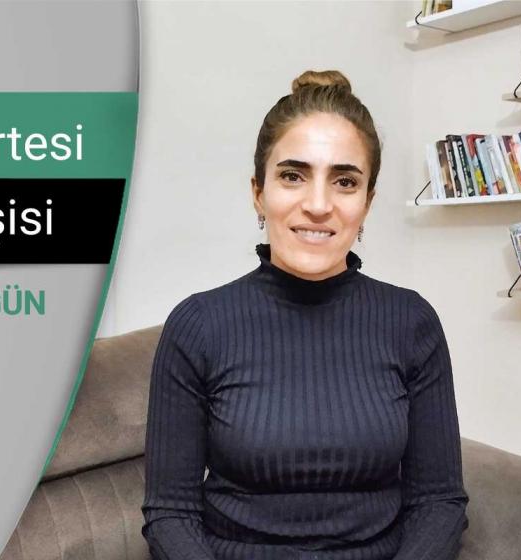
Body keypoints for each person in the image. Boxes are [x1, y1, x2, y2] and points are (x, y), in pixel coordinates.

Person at [141, 69, 469, 560]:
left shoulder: (412, 322)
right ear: (259, 192)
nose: (318, 205)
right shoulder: (197, 325)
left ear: (368, 202)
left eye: (345, 181)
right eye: (293, 176)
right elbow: (170, 514)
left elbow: (439, 502)